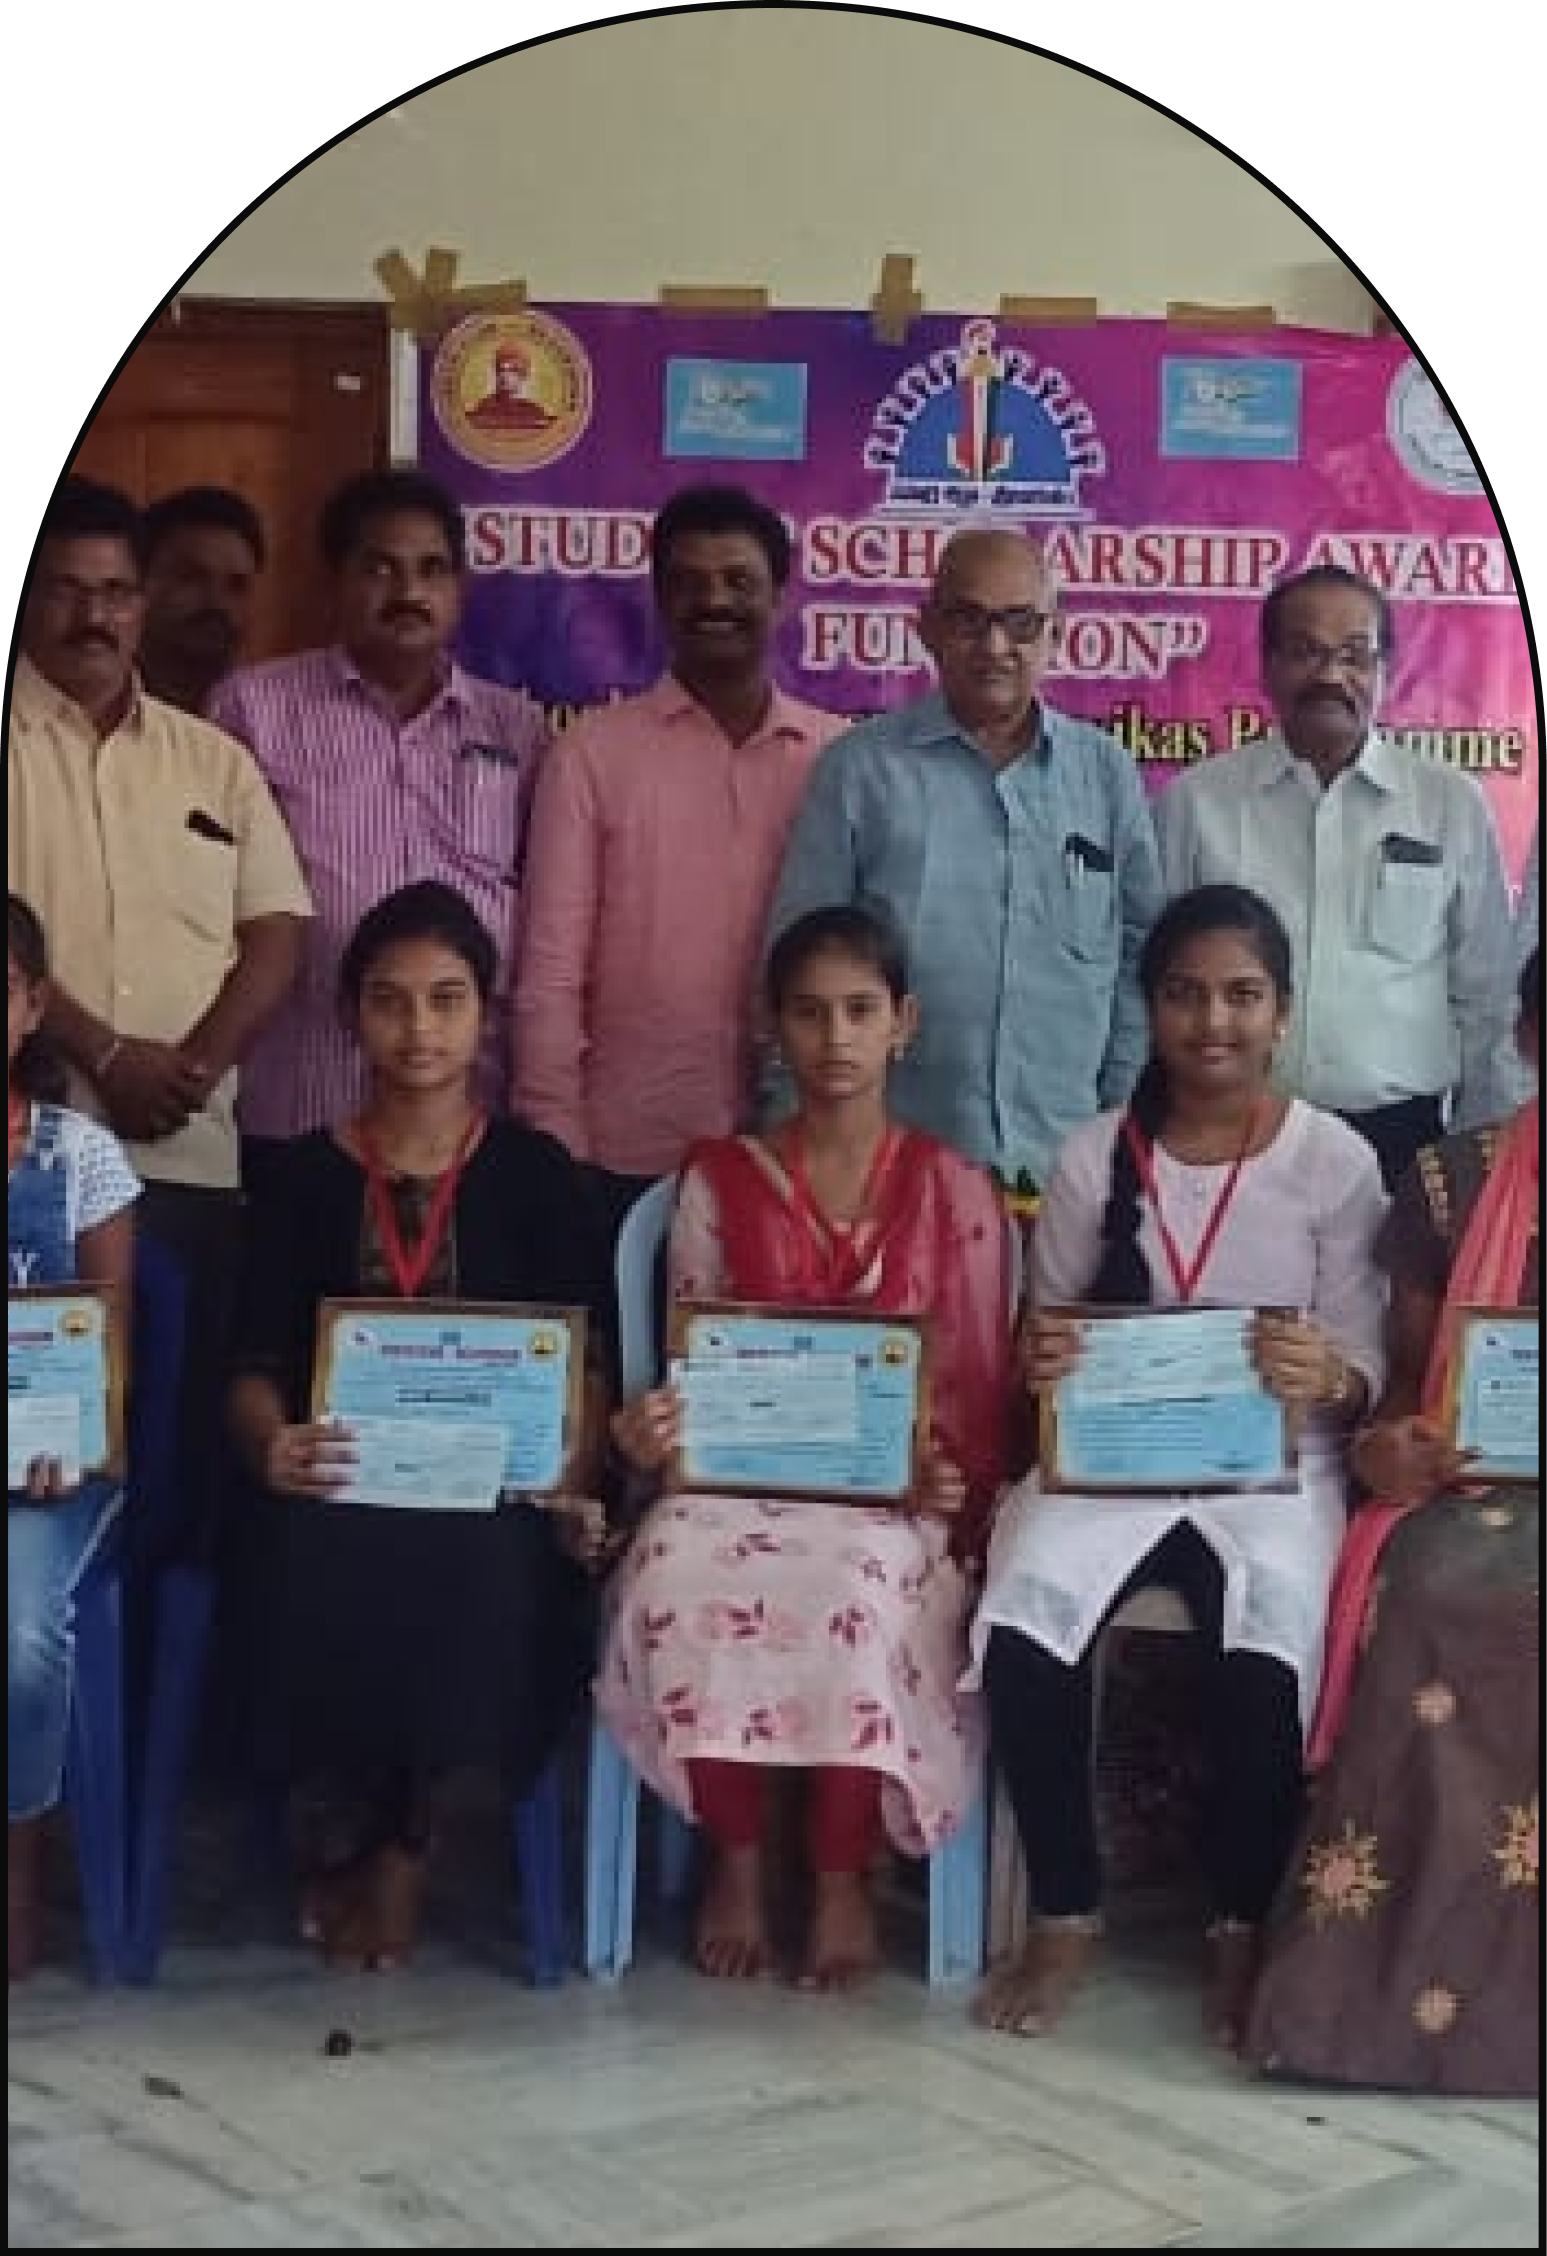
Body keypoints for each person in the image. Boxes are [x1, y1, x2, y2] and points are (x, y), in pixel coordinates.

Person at [969, 885, 1388, 2049]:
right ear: (1148, 1007)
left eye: (1241, 995)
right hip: (1110, 1463)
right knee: (1023, 1621)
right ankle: (1062, 1911)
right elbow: (1040, 1339)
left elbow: (1366, 1367)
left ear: (1282, 1013)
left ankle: (1239, 1923)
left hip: (1272, 1474)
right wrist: (1042, 1358)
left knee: (1262, 1647)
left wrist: (1325, 1372)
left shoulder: (1333, 1161)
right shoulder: (1089, 1155)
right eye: (1184, 994)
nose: (1213, 1022)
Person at [598, 905, 1014, 1989]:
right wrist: (656, 1428)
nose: (835, 1038)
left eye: (860, 1011)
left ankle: (839, 1869)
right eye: (809, 1013)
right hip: (740, 1484)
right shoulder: (719, 1181)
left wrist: (940, 1472)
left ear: (902, 1023)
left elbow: (971, 1380)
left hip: (890, 1501)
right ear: (771, 1027)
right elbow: (695, 1361)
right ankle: (735, 1856)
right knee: (676, 1568)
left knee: (856, 1588)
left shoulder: (954, 1189)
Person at [226, 882, 614, 1973]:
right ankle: (342, 1832)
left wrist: (569, 1476)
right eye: (390, 1001)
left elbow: (584, 1368)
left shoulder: (536, 1176)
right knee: (307, 1554)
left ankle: (400, 1853)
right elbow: (250, 1367)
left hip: (495, 1498)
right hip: (340, 1480)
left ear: (485, 1014)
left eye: (446, 1000)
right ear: (351, 1013)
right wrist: (272, 1446)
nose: (419, 1029)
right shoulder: (302, 1176)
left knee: (480, 1567)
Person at [1242, 948, 1538, 2097]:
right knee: (1430, 1589)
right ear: (1524, 1040)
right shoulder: (1450, 1181)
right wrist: (1391, 1449)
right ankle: (1374, 2004)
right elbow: (1400, 1400)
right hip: (1468, 1485)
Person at [8, 475, 311, 1563]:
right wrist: (102, 1053)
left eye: (116, 592)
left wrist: (190, 1068)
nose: (94, 615)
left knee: (175, 1474)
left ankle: (152, 1682)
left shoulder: (212, 760)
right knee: (44, 1464)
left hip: (188, 1160)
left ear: (141, 603)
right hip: (28, 1169)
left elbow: (276, 928)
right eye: (65, 590)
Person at [761, 528, 1164, 1210]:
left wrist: (1116, 1122)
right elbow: (798, 965)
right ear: (927, 629)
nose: (995, 646)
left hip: (1069, 1169)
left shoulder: (1105, 775)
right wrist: (792, 1141)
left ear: (1056, 633)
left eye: (1020, 623)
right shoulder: (861, 771)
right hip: (891, 1172)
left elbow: (1138, 959)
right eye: (968, 620)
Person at [512, 483, 848, 1245]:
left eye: (739, 581)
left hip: (803, 1152)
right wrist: (556, 1141)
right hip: (624, 1154)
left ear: (781, 598)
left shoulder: (837, 760)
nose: (715, 601)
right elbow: (551, 971)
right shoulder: (591, 755)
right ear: (659, 601)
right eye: (690, 582)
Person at [207, 468, 548, 1192]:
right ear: (335, 582)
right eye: (380, 568)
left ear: (460, 587)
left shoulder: (515, 727)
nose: (408, 592)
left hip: (469, 1114)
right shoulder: (254, 710)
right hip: (303, 1100)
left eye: (432, 569)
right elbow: (209, 907)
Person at [1154, 565, 1516, 1190]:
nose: (1330, 675)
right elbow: (1156, 981)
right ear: (1267, 667)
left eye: (1354, 655)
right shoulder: (1198, 803)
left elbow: (1486, 998)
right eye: (1305, 652)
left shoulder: (1449, 805)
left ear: (1386, 671)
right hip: (1229, 1130)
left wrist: (1475, 1154)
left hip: (1403, 1142)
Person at [8, 894, 141, 1981]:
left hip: (48, 1474)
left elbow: (108, 1349)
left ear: (30, 1007)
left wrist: (80, 1442)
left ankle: (17, 1865)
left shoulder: (81, 1157)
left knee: (17, 1636)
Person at [140, 485, 265, 714]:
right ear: (138, 584)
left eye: (237, 585)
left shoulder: (265, 713)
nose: (218, 603)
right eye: (192, 578)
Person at [466, 342, 555, 432]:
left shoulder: (534, 411)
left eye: (512, 371)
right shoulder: (485, 407)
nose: (505, 376)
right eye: (501, 370)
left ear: (523, 375)